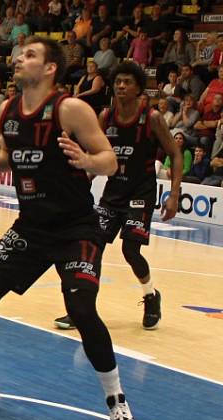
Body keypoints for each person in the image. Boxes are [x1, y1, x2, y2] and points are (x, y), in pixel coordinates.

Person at [0, 36, 138, 420]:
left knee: (82, 309)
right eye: (20, 53)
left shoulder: (70, 108)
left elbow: (110, 158)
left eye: (29, 55)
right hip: (31, 227)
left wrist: (88, 161)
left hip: (75, 228)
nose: (18, 58)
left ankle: (118, 403)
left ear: (50, 68)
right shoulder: (9, 111)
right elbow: (8, 160)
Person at [54, 62, 181, 332]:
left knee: (130, 250)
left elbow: (176, 153)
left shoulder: (152, 118)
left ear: (138, 88)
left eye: (128, 82)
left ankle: (150, 296)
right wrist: (81, 180)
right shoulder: (105, 117)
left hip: (141, 193)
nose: (121, 86)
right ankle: (82, 310)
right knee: (92, 248)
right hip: (113, 194)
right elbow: (95, 154)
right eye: (118, 81)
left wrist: (174, 193)